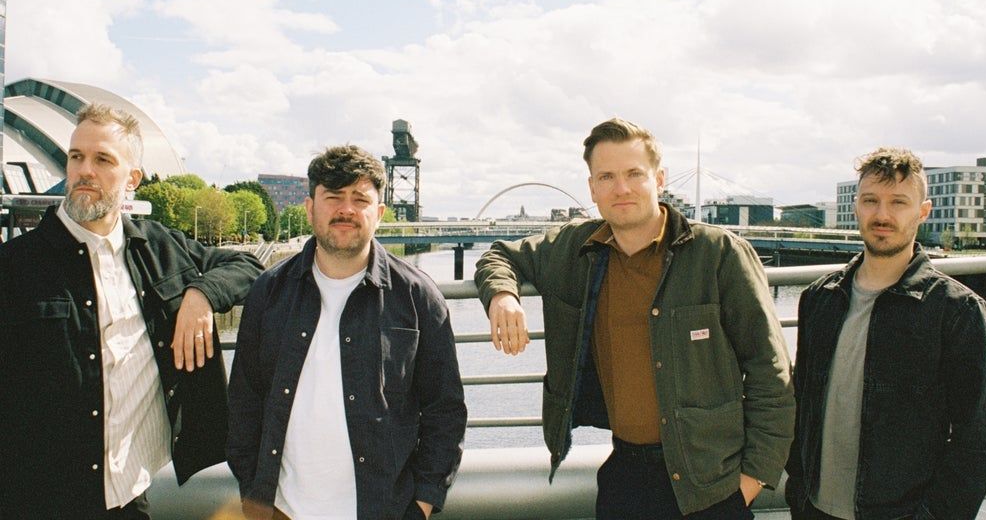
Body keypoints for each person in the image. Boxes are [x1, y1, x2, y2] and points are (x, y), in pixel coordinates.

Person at [475, 118, 795, 519]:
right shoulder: (575, 248)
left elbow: (771, 372)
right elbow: (498, 255)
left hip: (711, 482)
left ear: (659, 179)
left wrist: (752, 481)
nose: (621, 188)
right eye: (606, 177)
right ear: (592, 188)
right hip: (625, 477)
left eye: (634, 174)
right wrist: (503, 296)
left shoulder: (718, 254)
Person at [0, 103, 263, 519]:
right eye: (76, 156)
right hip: (38, 500)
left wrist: (202, 295)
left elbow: (248, 266)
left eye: (103, 159)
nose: (85, 170)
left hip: (129, 499)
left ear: (132, 178)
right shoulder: (15, 265)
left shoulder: (159, 248)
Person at [227, 145, 467, 520]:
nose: (347, 209)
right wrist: (252, 492)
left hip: (382, 510)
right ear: (310, 208)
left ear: (379, 213)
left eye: (360, 199)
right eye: (334, 196)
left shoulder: (418, 297)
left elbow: (445, 411)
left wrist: (420, 505)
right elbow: (245, 400)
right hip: (281, 510)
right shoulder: (269, 292)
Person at [785, 147, 986, 520]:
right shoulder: (819, 299)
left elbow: (981, 438)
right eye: (870, 200)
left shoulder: (955, 311)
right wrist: (798, 490)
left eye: (898, 202)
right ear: (856, 207)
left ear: (923, 211)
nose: (882, 215)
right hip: (814, 509)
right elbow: (801, 403)